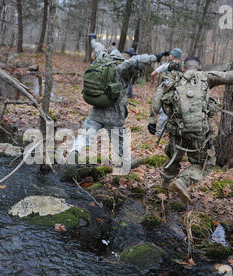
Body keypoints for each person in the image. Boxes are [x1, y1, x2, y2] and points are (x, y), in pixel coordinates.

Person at [61, 34, 170, 181]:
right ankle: (125, 162)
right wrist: (156, 56)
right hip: (115, 114)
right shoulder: (123, 67)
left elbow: (98, 47)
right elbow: (136, 60)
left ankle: (74, 152)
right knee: (119, 140)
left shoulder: (103, 59)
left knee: (85, 134)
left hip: (97, 110)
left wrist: (92, 39)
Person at [148, 56, 233, 204]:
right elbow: (231, 77)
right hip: (199, 131)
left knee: (174, 157)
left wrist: (152, 120)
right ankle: (183, 181)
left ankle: (165, 188)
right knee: (206, 162)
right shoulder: (206, 77)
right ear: (199, 67)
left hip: (176, 129)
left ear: (184, 68)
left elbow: (157, 96)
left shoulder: (173, 79)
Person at [150, 48, 183, 137]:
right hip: (178, 93)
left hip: (165, 91)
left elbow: (153, 74)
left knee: (163, 111)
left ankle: (160, 133)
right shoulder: (183, 67)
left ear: (174, 56)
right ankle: (172, 132)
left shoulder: (166, 65)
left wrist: (152, 82)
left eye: (171, 55)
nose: (169, 56)